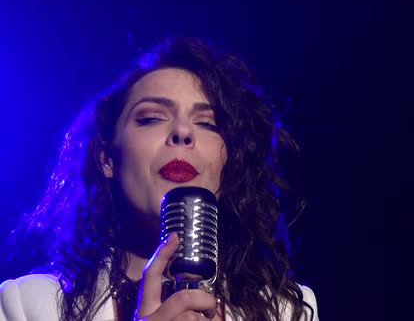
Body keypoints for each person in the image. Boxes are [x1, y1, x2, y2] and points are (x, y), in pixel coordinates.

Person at [0, 35, 318, 321]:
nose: (182, 132)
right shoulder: (25, 305)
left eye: (207, 123)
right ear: (106, 158)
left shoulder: (290, 312)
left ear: (230, 161)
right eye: (152, 117)